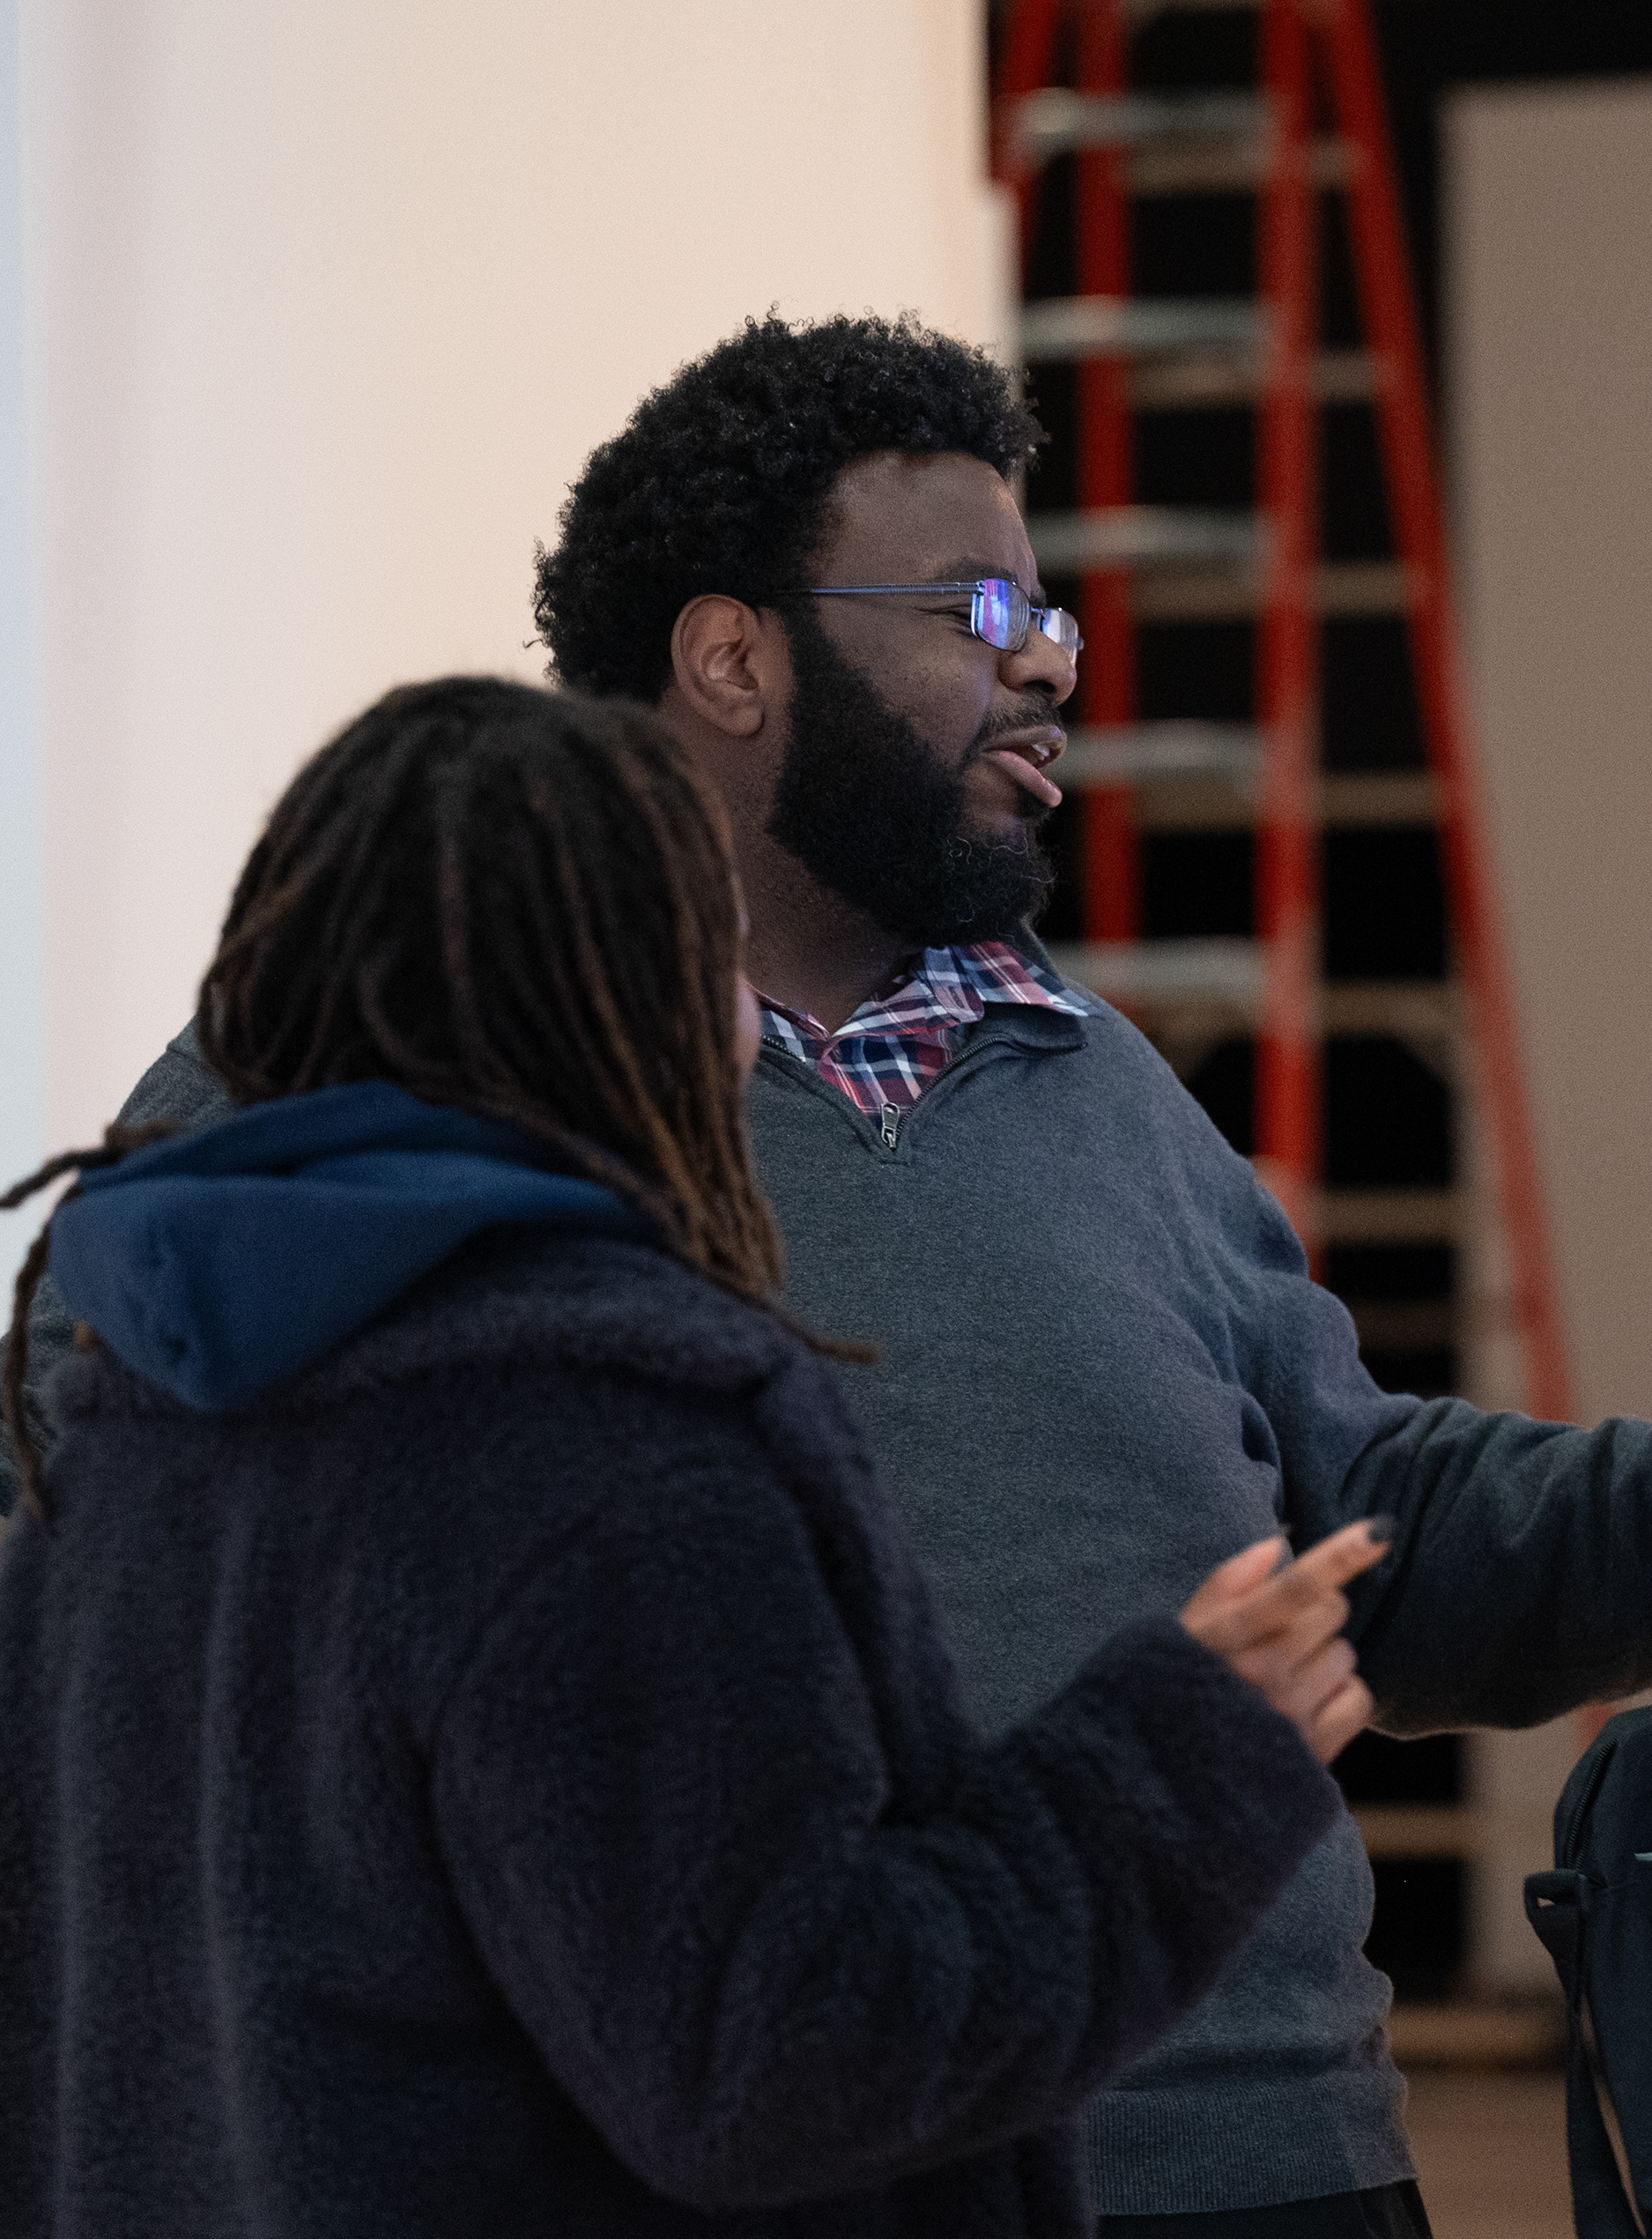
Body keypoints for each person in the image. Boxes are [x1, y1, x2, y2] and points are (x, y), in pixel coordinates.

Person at [11, 315, 1652, 2235]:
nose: (1051, 660)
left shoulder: (1090, 1078)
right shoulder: (349, 1120)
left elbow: (1355, 1536)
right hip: (799, 2161)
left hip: (1272, 2150)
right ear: (734, 658)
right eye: (979, 606)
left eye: (1052, 609)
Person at [0, 678, 1397, 2236]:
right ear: (631, 998)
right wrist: (1177, 1770)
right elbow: (780, 2059)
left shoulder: (122, 1435)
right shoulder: (611, 1458)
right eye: (717, 954)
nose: (747, 1021)